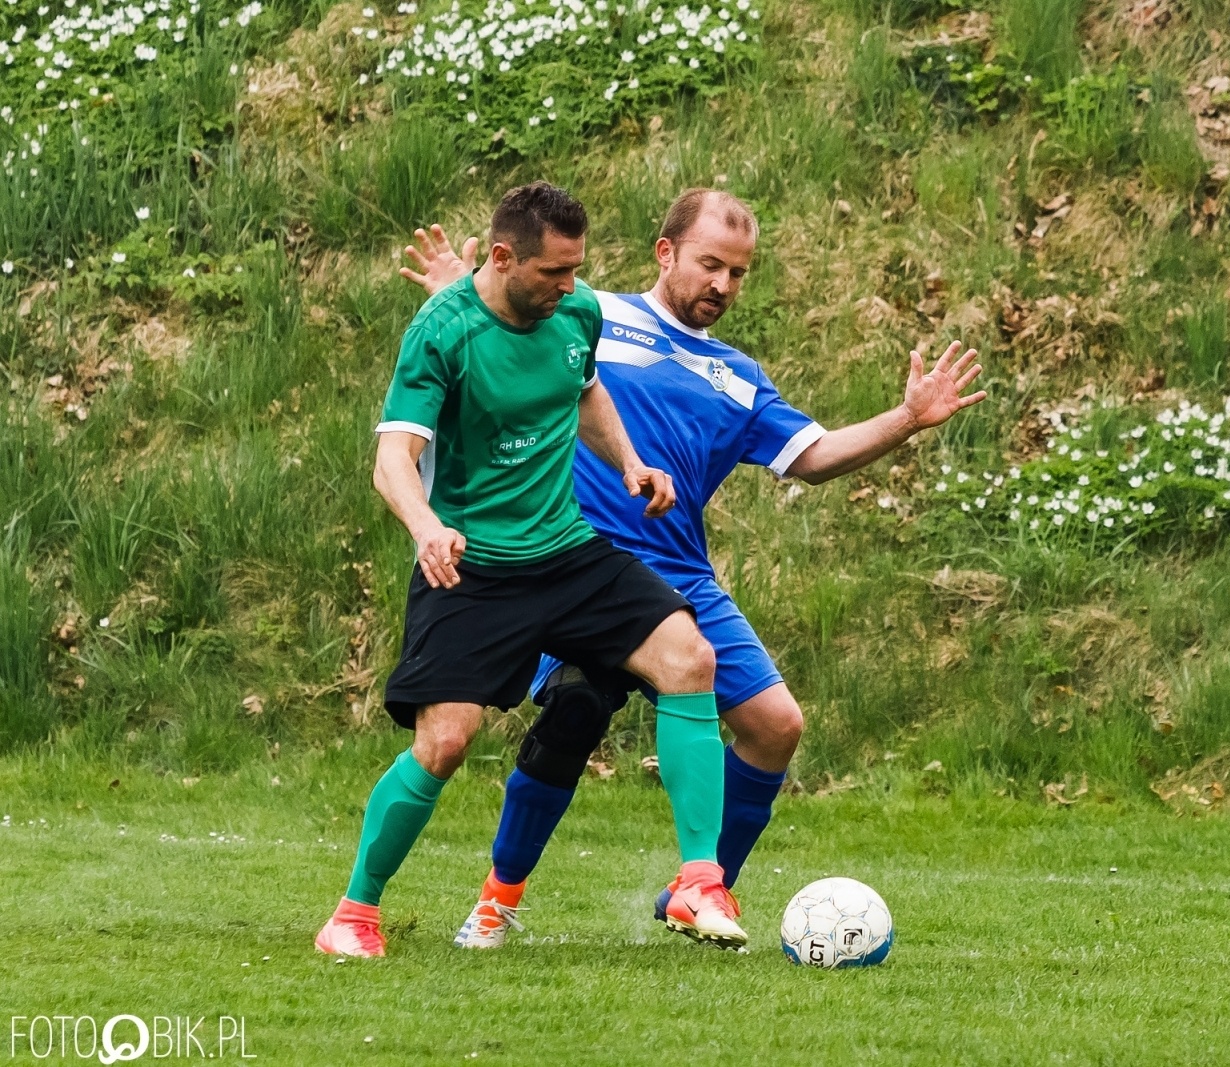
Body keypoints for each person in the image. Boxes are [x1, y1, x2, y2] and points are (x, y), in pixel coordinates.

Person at [399, 189, 985, 949]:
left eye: (739, 273)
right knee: (575, 714)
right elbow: (501, 324)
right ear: (665, 253)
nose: (723, 285)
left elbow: (814, 456)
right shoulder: (587, 316)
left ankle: (703, 890)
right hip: (572, 560)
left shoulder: (739, 377)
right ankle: (496, 900)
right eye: (710, 264)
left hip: (681, 576)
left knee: (777, 725)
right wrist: (460, 285)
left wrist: (907, 419)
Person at [314, 182, 748, 958]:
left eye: (577, 270)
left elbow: (584, 393)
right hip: (472, 566)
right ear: (505, 257)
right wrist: (427, 527)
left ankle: (698, 880)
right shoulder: (442, 332)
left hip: (565, 552)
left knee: (691, 657)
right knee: (445, 742)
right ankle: (354, 912)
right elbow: (393, 461)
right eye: (553, 272)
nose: (571, 288)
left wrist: (631, 463)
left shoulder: (573, 315)